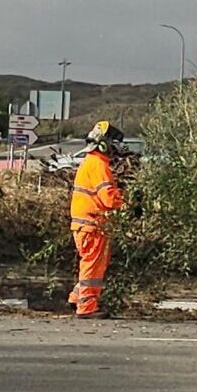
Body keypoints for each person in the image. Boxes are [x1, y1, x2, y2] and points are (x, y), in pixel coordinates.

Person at [67, 121, 125, 319]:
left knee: (93, 264)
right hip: (92, 225)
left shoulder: (91, 162)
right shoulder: (98, 165)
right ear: (104, 143)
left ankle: (77, 298)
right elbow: (108, 198)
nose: (117, 148)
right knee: (92, 265)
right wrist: (128, 203)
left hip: (87, 225)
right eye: (115, 143)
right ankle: (87, 307)